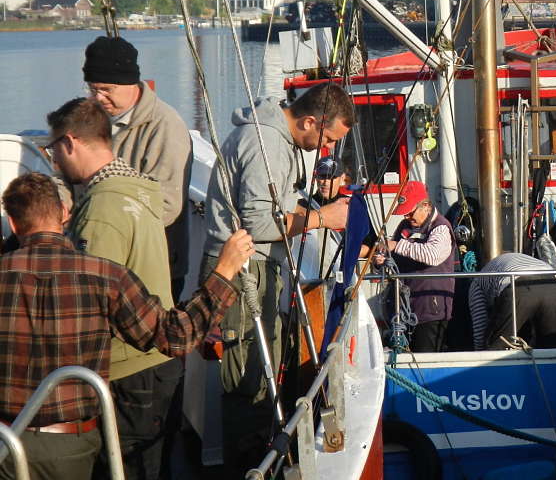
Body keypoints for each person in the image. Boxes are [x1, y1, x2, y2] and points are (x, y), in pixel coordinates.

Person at [0, 171, 254, 480]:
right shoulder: (105, 276)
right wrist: (224, 270)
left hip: (6, 443)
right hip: (73, 446)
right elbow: (175, 336)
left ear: (13, 224)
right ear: (64, 214)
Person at [201, 82, 355, 477]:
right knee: (247, 376)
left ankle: (260, 456)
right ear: (309, 121)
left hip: (258, 269)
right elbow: (258, 222)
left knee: (261, 366)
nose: (325, 151)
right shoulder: (265, 144)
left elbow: (276, 207)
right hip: (242, 271)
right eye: (327, 139)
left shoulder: (276, 140)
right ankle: (248, 467)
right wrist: (324, 218)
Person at [46, 97, 180, 480]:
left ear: (70, 143)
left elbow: (90, 304)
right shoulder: (135, 189)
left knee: (127, 468)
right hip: (156, 362)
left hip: (130, 371)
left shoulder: (102, 209)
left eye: (54, 148)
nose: (55, 160)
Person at [83, 35, 193, 302]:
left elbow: (165, 205)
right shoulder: (91, 117)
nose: (98, 97)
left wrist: (106, 224)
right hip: (101, 256)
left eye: (106, 89)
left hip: (151, 265)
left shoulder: (165, 127)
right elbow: (67, 173)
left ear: (129, 83)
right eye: (92, 88)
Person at [375, 180, 457, 353]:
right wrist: (382, 260)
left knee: (426, 357)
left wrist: (397, 246)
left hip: (431, 310)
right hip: (403, 309)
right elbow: (394, 256)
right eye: (405, 214)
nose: (407, 217)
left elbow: (432, 255)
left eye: (410, 213)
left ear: (426, 206)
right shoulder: (405, 226)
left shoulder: (441, 228)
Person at [468, 252, 556, 350]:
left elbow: (480, 326)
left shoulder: (476, 284)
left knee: (497, 347)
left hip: (518, 285)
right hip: (552, 283)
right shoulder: (508, 261)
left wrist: (480, 353)